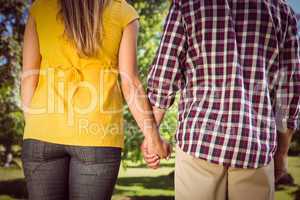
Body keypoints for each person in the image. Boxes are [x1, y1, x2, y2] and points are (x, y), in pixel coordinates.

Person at [143, 0, 300, 199]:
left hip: (199, 143)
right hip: (254, 146)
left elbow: (165, 75)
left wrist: (151, 134)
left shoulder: (189, 4)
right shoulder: (282, 11)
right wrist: (282, 154)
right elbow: (289, 93)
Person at [21, 0, 171, 199]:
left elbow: (29, 77)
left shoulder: (40, 8)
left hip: (41, 133)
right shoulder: (123, 12)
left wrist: (34, 127)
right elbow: (130, 83)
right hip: (98, 135)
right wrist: (153, 139)